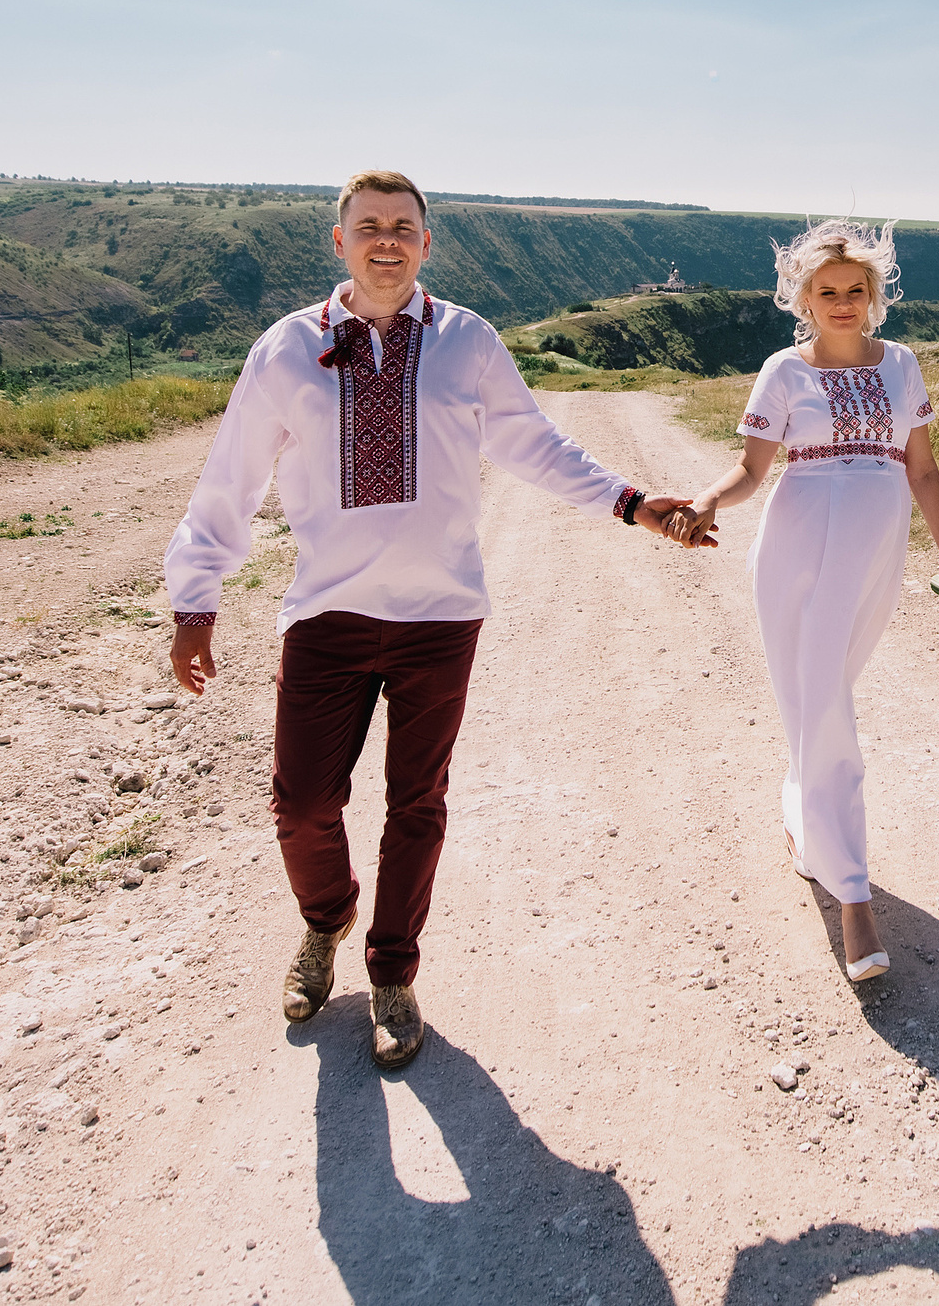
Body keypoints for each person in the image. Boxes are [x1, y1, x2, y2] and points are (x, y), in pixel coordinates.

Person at [164, 171, 704, 1070]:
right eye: (368, 227)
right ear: (338, 242)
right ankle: (325, 917)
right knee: (301, 803)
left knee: (416, 805)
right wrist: (196, 599)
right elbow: (231, 478)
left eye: (403, 228)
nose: (386, 241)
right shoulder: (286, 350)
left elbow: (533, 443)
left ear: (427, 243)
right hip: (327, 615)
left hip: (441, 619)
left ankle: (391, 972)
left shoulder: (467, 342)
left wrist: (634, 503)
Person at [684, 220, 939, 982]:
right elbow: (751, 471)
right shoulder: (783, 370)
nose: (842, 302)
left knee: (824, 697)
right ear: (803, 298)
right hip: (796, 549)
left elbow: (925, 474)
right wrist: (709, 499)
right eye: (826, 291)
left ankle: (808, 828)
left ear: (875, 297)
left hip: (875, 554)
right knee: (822, 703)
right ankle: (853, 895)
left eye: (855, 290)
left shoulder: (902, 366)